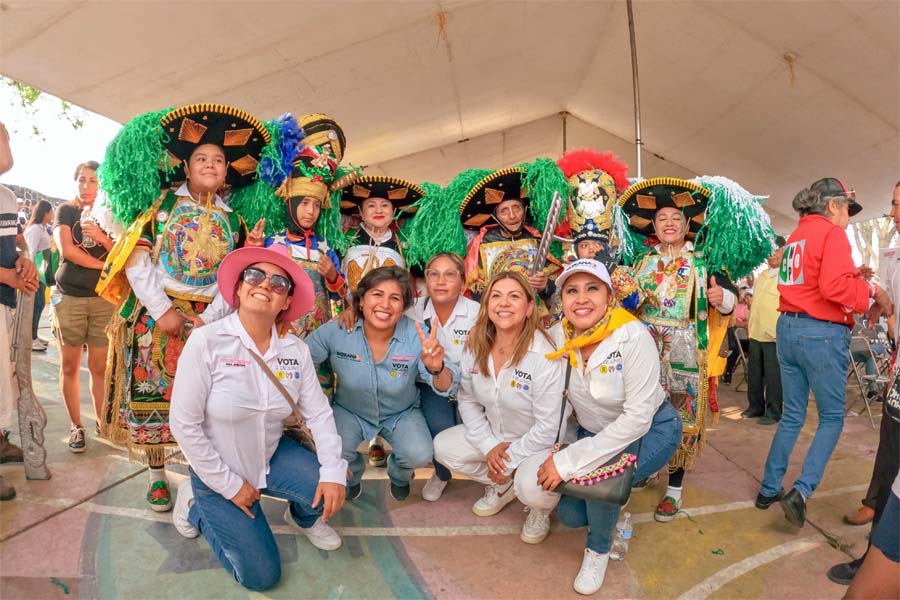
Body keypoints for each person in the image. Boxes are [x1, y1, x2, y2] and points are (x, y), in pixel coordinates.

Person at [97, 104, 272, 511]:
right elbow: (139, 263)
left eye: (218, 160)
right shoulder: (160, 209)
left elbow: (235, 279)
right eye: (202, 159)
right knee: (154, 394)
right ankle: (157, 476)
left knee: (206, 401)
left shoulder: (236, 221)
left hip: (211, 318)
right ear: (187, 167)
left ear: (227, 171)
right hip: (160, 317)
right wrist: (164, 312)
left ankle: (203, 475)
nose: (211, 165)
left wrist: (207, 320)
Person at [170, 243, 347, 592]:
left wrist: (332, 473)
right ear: (238, 288)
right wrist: (230, 486)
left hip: (270, 456)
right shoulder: (207, 341)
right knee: (262, 578)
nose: (265, 285)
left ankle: (302, 518)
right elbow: (183, 425)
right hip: (218, 470)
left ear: (286, 302)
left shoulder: (295, 350)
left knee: (329, 487)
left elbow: (320, 415)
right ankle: (193, 504)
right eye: (255, 275)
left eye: (279, 284)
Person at [513, 259, 682, 595]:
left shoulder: (633, 336)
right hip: (594, 433)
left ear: (609, 296)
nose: (582, 298)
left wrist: (568, 462)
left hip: (650, 430)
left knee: (604, 478)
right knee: (574, 515)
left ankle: (598, 551)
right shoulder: (557, 335)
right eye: (572, 290)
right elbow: (516, 347)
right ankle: (611, 503)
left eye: (593, 288)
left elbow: (636, 420)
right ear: (562, 299)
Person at [617, 176, 773, 521]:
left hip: (686, 356)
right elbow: (628, 306)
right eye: (662, 219)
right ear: (653, 225)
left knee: (681, 419)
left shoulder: (705, 262)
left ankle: (674, 488)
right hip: (644, 354)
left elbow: (729, 301)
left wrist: (725, 300)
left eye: (676, 218)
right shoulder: (641, 263)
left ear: (688, 223)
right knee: (641, 413)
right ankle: (643, 469)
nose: (670, 224)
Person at [756, 178, 892, 527]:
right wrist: (872, 290)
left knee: (793, 415)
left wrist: (853, 275)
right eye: (848, 209)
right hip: (821, 333)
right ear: (832, 204)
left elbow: (814, 279)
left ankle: (769, 488)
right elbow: (832, 288)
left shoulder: (798, 237)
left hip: (788, 327)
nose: (848, 217)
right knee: (832, 417)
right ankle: (801, 492)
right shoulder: (832, 234)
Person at [433, 270, 563, 540]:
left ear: (529, 308)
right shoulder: (475, 344)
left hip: (538, 445)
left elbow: (550, 427)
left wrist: (508, 460)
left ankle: (539, 507)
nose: (503, 303)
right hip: (496, 437)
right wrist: (489, 446)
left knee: (532, 487)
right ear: (487, 305)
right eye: (496, 296)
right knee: (443, 448)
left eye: (514, 296)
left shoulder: (545, 354)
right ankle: (503, 487)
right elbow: (467, 398)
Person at [306, 266, 455, 501]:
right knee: (331, 451)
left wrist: (437, 368)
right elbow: (301, 359)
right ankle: (352, 476)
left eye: (395, 298)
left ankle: (398, 475)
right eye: (377, 295)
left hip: (401, 412)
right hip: (350, 410)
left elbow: (445, 386)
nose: (385, 305)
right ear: (361, 300)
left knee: (419, 454)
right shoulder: (338, 329)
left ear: (404, 307)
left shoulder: (418, 335)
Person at [828, 180, 900, 586]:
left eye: (897, 205)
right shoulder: (892, 255)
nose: (892, 213)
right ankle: (877, 546)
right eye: (892, 204)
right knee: (891, 457)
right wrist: (875, 302)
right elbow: (887, 297)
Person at [52, 160, 116, 452]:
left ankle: (103, 422)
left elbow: (124, 251)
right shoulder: (66, 211)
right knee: (70, 366)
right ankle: (76, 426)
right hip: (71, 297)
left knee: (99, 367)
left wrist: (102, 237)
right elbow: (66, 250)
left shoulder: (112, 212)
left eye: (92, 180)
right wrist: (106, 266)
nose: (86, 186)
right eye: (81, 179)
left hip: (103, 299)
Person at [406, 252, 480, 501]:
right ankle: (442, 473)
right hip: (431, 383)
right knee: (439, 431)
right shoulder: (411, 311)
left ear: (463, 281)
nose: (440, 281)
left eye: (449, 274)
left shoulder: (478, 313)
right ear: (425, 279)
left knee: (479, 429)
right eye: (433, 274)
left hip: (472, 383)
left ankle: (493, 477)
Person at [454, 162, 568, 308]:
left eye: (516, 208)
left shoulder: (537, 240)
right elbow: (474, 293)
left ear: (525, 210)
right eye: (504, 211)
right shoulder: (482, 244)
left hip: (535, 319)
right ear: (495, 216)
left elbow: (554, 293)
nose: (512, 216)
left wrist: (544, 286)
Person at [556, 149, 642, 310]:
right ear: (575, 249)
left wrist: (609, 266)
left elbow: (634, 302)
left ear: (608, 245)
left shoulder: (620, 271)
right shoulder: (567, 275)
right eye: (584, 245)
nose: (591, 250)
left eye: (597, 244)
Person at [0, 122, 35, 499]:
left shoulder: (7, 197)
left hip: (4, 303)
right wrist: (8, 275)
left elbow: (17, 245)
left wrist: (25, 261)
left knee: (2, 378)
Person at [745, 237, 786, 424]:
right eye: (769, 250)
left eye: (777, 250)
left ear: (784, 250)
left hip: (773, 333)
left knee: (773, 376)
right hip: (755, 331)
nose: (772, 254)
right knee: (754, 373)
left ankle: (774, 411)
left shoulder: (787, 275)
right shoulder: (762, 275)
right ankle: (755, 407)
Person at [23, 199, 53, 351]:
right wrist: (32, 274)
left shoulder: (42, 228)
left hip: (40, 274)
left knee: (40, 305)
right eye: (50, 211)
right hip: (35, 274)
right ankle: (30, 338)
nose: (52, 214)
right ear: (45, 212)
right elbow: (30, 251)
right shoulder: (35, 229)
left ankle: (34, 335)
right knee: (36, 305)